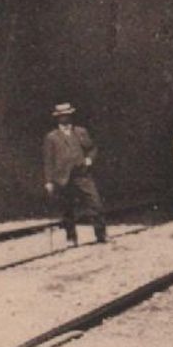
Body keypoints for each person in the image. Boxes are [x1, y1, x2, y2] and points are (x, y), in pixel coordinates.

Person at [43, 102, 108, 245]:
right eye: (61, 116)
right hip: (62, 178)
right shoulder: (52, 137)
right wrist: (48, 181)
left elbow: (92, 148)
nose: (65, 118)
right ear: (57, 118)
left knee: (95, 203)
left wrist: (89, 159)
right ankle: (71, 238)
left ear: (71, 115)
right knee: (67, 209)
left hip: (82, 175)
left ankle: (101, 234)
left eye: (67, 115)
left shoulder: (80, 132)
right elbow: (48, 161)